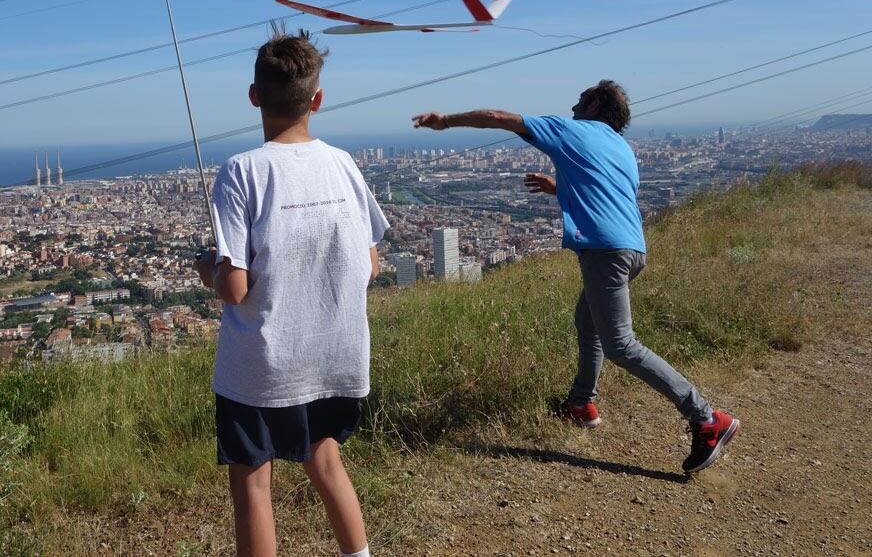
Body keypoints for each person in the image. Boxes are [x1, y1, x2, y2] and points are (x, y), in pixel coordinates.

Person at [411, 81, 739, 474]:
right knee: (588, 322)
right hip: (633, 249)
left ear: (597, 103)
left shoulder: (571, 130)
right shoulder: (622, 148)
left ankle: (706, 418)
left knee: (622, 346)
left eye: (581, 99)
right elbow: (605, 193)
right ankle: (581, 403)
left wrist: (446, 121)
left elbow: (500, 118)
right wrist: (558, 189)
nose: (573, 106)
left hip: (604, 252)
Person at [195, 30, 388, 556]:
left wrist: (206, 268)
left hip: (261, 365)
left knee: (253, 487)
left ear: (253, 95)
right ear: (317, 100)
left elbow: (234, 289)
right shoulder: (343, 163)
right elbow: (370, 264)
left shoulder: (242, 171)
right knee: (325, 461)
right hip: (334, 357)